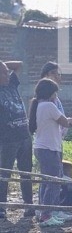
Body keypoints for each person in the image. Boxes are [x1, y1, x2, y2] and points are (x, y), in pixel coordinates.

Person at [30, 79, 72, 227]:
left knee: (48, 181)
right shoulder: (49, 106)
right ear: (50, 93)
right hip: (49, 148)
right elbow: (64, 122)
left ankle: (47, 212)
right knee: (54, 181)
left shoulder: (39, 105)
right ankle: (47, 214)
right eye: (55, 92)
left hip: (43, 147)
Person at [0, 59, 34, 219]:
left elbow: (19, 64)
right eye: (4, 73)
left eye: (7, 72)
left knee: (26, 172)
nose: (8, 75)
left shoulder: (11, 84)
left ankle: (29, 205)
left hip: (24, 135)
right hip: (7, 139)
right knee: (4, 174)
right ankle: (2, 207)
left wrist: (3, 66)